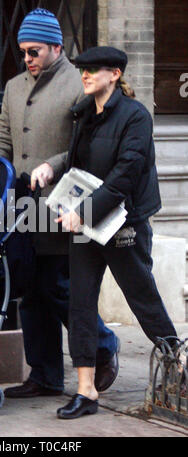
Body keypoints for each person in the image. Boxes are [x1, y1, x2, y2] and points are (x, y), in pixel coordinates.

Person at [31, 45, 178, 419]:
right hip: (85, 223)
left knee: (141, 296)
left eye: (93, 70)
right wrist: (54, 173)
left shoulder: (135, 116)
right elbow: (78, 163)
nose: (85, 74)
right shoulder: (84, 113)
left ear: (115, 74)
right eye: (82, 69)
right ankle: (86, 391)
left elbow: (126, 174)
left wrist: (86, 212)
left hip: (122, 222)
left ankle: (177, 366)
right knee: (80, 303)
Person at [0, 9, 120, 398]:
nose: (27, 57)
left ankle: (104, 346)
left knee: (58, 286)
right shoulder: (13, 87)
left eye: (35, 50)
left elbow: (86, 144)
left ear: (57, 47)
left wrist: (53, 165)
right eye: (23, 51)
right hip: (21, 205)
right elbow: (3, 137)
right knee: (28, 288)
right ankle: (43, 376)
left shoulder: (79, 84)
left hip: (63, 205)